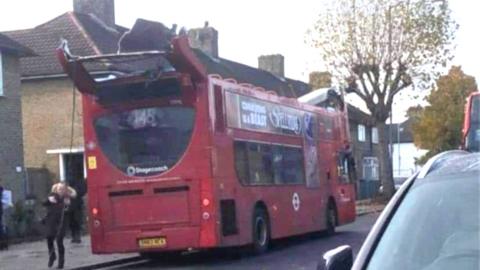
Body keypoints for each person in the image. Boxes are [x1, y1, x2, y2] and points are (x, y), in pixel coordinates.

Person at [43, 182, 77, 269]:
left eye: (62, 189)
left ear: (65, 190)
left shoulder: (67, 199)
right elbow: (44, 203)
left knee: (59, 241)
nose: (60, 190)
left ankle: (61, 263)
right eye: (59, 189)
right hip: (52, 222)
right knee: (49, 238)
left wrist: (68, 205)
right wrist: (48, 200)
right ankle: (52, 255)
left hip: (62, 223)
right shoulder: (53, 196)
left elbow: (73, 210)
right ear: (56, 190)